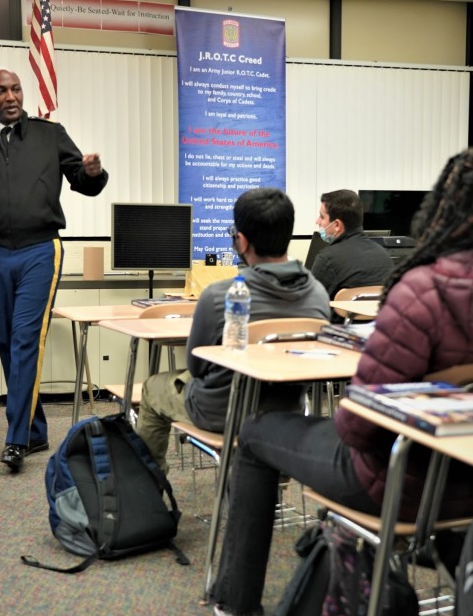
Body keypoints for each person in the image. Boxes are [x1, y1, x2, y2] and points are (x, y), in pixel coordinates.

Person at [211, 141, 473, 616]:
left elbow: (357, 424)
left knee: (254, 433)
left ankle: (239, 604)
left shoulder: (425, 290)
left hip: (398, 485)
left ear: (445, 208)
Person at [0, 67, 108, 472]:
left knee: (27, 338)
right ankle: (37, 429)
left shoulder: (50, 133)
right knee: (9, 343)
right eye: (0, 91)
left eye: (15, 89)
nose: (10, 97)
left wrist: (94, 173)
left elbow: (83, 179)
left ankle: (16, 439)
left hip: (42, 248)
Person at [135, 187, 331, 472]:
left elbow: (197, 366)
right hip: (286, 412)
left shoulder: (220, 295)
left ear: (240, 241)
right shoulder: (318, 293)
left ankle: (149, 488)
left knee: (153, 388)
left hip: (222, 411)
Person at [311, 188, 393, 300]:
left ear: (337, 225)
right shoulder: (384, 256)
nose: (318, 222)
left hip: (341, 317)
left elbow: (311, 304)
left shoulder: (327, 260)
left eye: (322, 217)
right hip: (380, 317)